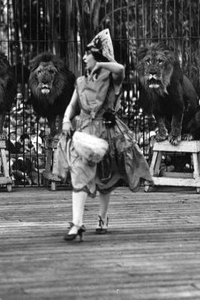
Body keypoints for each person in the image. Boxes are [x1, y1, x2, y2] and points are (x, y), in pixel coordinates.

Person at [54, 29, 154, 242]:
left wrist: (103, 63)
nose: (83, 58)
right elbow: (72, 106)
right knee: (79, 173)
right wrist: (65, 120)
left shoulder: (111, 78)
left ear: (97, 57)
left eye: (87, 54)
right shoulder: (80, 81)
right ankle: (78, 223)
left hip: (107, 132)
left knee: (105, 178)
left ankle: (102, 217)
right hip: (84, 134)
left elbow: (120, 68)